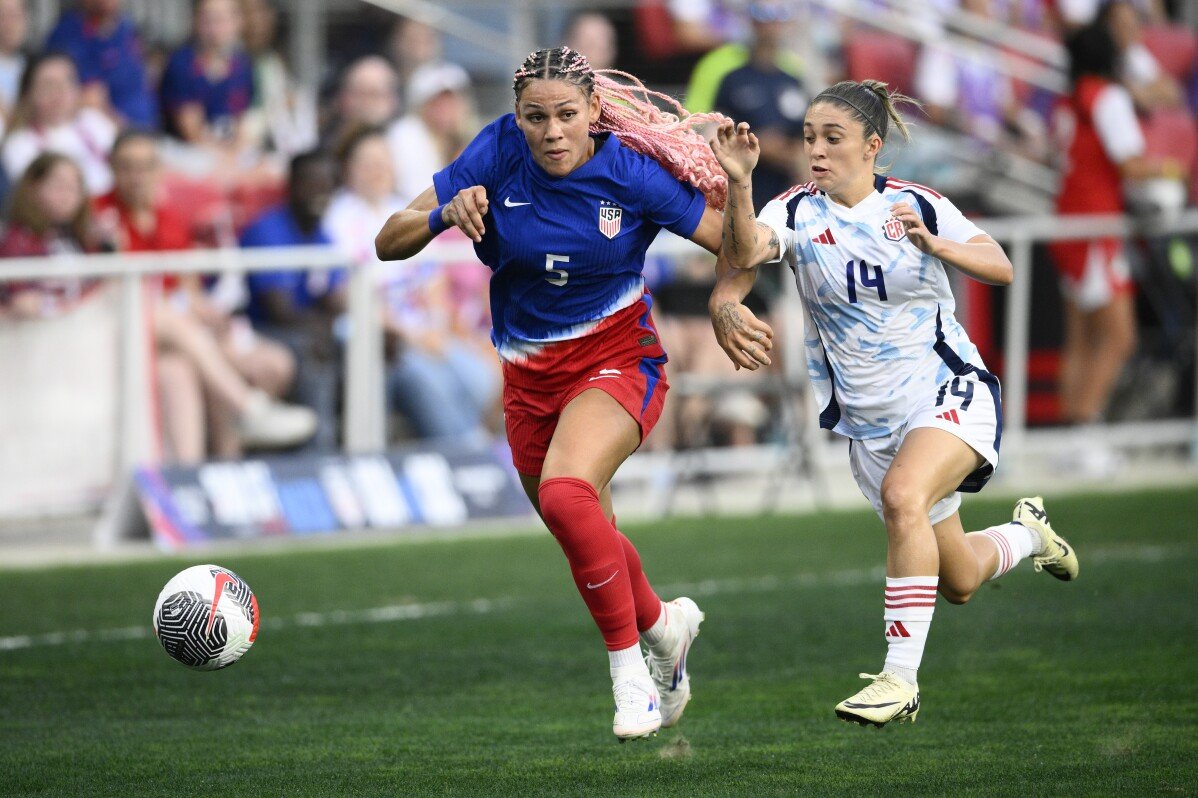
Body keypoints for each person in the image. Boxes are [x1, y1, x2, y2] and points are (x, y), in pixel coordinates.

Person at [375, 46, 728, 741]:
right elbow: (389, 240)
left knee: (569, 495)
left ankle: (630, 677)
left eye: (566, 114)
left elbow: (734, 243)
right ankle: (664, 627)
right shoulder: (496, 151)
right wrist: (448, 211)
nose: (552, 131)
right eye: (536, 117)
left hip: (621, 361)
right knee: (582, 525)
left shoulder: (631, 171)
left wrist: (732, 291)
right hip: (529, 380)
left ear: (594, 111)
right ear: (517, 117)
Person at [707, 79, 1081, 728]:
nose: (816, 151)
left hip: (946, 390)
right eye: (808, 139)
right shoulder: (794, 210)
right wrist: (739, 187)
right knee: (958, 579)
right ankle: (1029, 535)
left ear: (872, 146)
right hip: (869, 421)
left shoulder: (915, 204)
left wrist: (937, 247)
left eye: (833, 139)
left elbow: (1000, 265)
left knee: (904, 496)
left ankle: (897, 680)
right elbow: (744, 254)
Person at [94, 129, 309, 461]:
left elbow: (187, 289)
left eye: (146, 166)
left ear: (159, 170)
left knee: (271, 364)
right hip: (120, 330)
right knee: (178, 354)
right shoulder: (98, 215)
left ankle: (225, 462)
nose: (137, 177)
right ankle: (247, 410)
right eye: (128, 166)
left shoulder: (168, 218)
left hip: (174, 335)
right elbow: (109, 291)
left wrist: (208, 314)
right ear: (112, 168)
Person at [1050, 22, 1181, 460]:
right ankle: (1083, 434)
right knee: (1118, 337)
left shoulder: (1069, 98)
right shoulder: (1106, 97)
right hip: (1095, 228)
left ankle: (1071, 436)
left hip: (1068, 222)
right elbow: (1131, 165)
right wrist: (1171, 170)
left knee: (1081, 338)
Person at [240, 149, 346, 452]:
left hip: (298, 327)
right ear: (292, 185)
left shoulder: (323, 236)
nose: (320, 193)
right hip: (253, 329)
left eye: (327, 185)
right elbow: (279, 310)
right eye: (312, 183)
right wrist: (323, 327)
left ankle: (361, 448)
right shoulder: (268, 229)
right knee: (314, 352)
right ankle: (317, 458)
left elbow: (334, 300)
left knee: (369, 347)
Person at [2, 52, 118, 196]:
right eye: (48, 85)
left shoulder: (93, 121)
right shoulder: (19, 144)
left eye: (68, 82)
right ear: (28, 95)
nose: (60, 92)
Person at [43, 0, 157, 129]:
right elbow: (87, 97)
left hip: (146, 129)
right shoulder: (65, 37)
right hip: (102, 133)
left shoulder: (128, 28)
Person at [159, 0, 255, 150]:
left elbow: (242, 123)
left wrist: (236, 152)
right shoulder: (181, 64)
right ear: (195, 21)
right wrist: (226, 161)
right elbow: (192, 133)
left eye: (221, 19)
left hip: (229, 149)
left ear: (238, 21)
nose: (214, 28)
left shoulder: (242, 64)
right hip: (187, 150)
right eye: (207, 20)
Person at [386, 61, 474, 202]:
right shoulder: (406, 133)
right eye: (437, 102)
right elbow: (415, 196)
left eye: (451, 101)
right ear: (421, 106)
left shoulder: (463, 139)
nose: (445, 109)